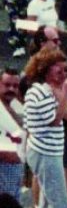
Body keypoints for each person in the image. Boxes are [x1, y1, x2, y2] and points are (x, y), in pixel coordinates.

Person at [23, 49, 67, 208]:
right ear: (45, 70)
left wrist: (61, 94)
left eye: (65, 70)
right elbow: (55, 120)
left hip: (49, 150)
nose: (64, 75)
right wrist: (65, 93)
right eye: (59, 71)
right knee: (60, 202)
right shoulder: (39, 92)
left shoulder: (47, 91)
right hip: (44, 151)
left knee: (48, 199)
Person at [0, 66, 22, 199]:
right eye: (7, 85)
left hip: (14, 170)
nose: (11, 89)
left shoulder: (13, 107)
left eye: (15, 86)